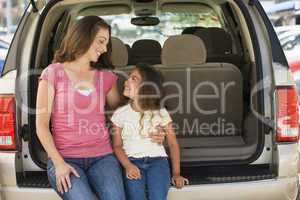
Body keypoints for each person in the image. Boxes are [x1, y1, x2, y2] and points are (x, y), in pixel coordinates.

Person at [35, 16, 164, 200]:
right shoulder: (53, 73)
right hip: (65, 157)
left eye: (106, 44)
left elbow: (126, 113)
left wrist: (154, 127)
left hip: (102, 156)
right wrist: (58, 163)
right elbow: (41, 125)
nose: (104, 49)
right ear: (83, 37)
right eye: (101, 42)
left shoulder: (105, 77)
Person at [111, 63, 189, 200]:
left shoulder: (160, 112)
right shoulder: (120, 114)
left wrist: (176, 173)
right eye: (128, 77)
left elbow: (172, 144)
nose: (126, 81)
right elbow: (117, 146)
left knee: (158, 197)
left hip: (158, 162)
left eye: (133, 78)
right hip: (132, 162)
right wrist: (128, 166)